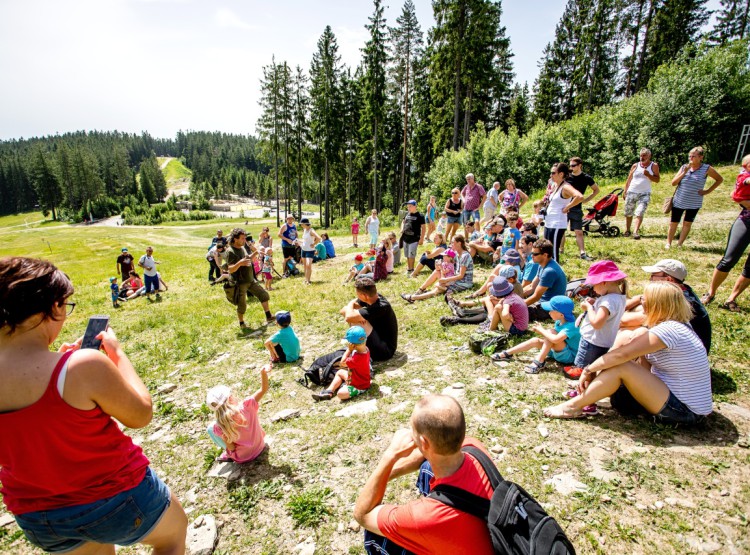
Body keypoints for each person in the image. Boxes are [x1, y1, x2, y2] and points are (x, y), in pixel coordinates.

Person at [0, 257, 188, 554]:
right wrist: (117, 354)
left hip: (37, 516)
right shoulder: (82, 366)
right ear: (54, 307)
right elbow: (141, 413)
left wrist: (58, 363)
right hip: (115, 498)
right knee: (173, 533)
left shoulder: (70, 368)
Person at [544, 281, 713, 425]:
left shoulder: (669, 330)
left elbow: (621, 356)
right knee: (629, 339)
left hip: (685, 411)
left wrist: (589, 369)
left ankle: (573, 406)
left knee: (622, 365)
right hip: (672, 397)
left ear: (658, 304)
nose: (641, 301)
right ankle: (593, 391)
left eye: (645, 298)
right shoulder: (674, 324)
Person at [353, 395, 496, 555]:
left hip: (439, 522)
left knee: (376, 534)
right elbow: (430, 453)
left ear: (424, 442)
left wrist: (390, 455)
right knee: (428, 467)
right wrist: (386, 475)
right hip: (487, 537)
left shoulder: (421, 516)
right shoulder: (474, 447)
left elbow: (363, 515)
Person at [621, 259, 712, 353]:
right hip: (684, 346)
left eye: (653, 276)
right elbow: (642, 298)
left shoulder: (677, 302)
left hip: (685, 355)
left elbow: (624, 321)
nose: (650, 279)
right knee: (637, 309)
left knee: (627, 332)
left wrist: (610, 312)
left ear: (669, 279)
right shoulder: (680, 290)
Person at [701, 155, 750, 312]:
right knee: (729, 259)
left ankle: (732, 299)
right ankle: (710, 293)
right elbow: (736, 194)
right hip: (746, 221)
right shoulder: (745, 176)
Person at [493, 295, 580, 375]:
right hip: (558, 351)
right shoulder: (559, 322)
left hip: (569, 356)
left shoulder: (571, 326)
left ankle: (539, 361)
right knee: (535, 340)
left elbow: (556, 340)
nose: (549, 312)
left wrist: (541, 330)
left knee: (551, 333)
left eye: (551, 310)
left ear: (561, 314)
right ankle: (507, 353)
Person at [206, 364, 271, 463]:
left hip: (244, 457)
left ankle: (227, 455)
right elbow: (263, 389)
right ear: (230, 398)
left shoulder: (220, 426)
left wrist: (228, 444)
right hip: (260, 446)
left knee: (210, 428)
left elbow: (231, 447)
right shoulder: (247, 406)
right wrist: (263, 373)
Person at [667, 146, 724, 249]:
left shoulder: (706, 168)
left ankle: (679, 244)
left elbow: (719, 179)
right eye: (689, 156)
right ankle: (668, 243)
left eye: (693, 156)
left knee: (687, 223)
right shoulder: (684, 167)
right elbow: (673, 183)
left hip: (694, 202)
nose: (690, 158)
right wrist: (684, 172)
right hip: (679, 200)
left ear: (701, 157)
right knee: (673, 222)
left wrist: (707, 191)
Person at [574, 261, 628, 369]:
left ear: (604, 282)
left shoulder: (608, 301)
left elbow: (597, 324)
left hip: (591, 343)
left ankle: (580, 383)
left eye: (594, 285)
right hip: (605, 342)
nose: (593, 288)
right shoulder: (619, 297)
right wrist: (595, 303)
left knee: (582, 369)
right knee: (595, 368)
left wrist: (589, 308)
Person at [224, 228, 274, 328]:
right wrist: (240, 263)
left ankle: (268, 316)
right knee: (242, 305)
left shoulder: (242, 248)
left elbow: (248, 259)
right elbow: (230, 269)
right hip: (240, 282)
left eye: (244, 238)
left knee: (263, 295)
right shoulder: (230, 251)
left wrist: (256, 253)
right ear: (235, 239)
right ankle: (241, 323)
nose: (244, 240)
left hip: (250, 279)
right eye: (242, 238)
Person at [340, 277, 398, 361]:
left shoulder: (381, 306)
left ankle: (358, 348)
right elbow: (343, 311)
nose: (357, 297)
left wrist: (351, 306)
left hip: (385, 351)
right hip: (377, 338)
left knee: (355, 319)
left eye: (358, 294)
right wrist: (351, 305)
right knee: (354, 315)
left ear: (364, 296)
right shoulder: (371, 298)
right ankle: (357, 345)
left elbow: (348, 318)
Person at [401, 235, 473, 302]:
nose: (451, 245)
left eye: (453, 243)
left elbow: (461, 276)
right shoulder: (457, 254)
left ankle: (412, 298)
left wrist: (445, 279)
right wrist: (439, 266)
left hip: (464, 282)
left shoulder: (465, 256)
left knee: (438, 288)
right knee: (436, 271)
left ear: (459, 243)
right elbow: (451, 267)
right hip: (456, 279)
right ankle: (420, 290)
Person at [311, 326, 371, 401]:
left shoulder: (357, 358)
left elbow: (342, 363)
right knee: (340, 372)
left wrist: (349, 349)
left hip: (359, 385)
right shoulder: (365, 349)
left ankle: (357, 390)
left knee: (340, 394)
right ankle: (329, 391)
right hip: (355, 377)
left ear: (353, 345)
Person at [544, 162, 584, 261]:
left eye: (553, 173)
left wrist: (567, 207)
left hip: (557, 223)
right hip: (549, 222)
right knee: (546, 250)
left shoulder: (565, 187)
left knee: (553, 252)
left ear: (561, 174)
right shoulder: (555, 185)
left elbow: (579, 196)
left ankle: (556, 274)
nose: (551, 175)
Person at [524, 239, 568, 321]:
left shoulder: (549, 271)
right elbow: (531, 287)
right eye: (532, 253)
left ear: (545, 255)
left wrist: (518, 305)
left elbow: (536, 296)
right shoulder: (542, 265)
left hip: (549, 309)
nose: (531, 256)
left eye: (535, 254)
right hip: (541, 303)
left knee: (510, 310)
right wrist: (513, 296)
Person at [565, 157, 599, 261]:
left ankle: (582, 252)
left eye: (573, 165)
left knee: (579, 231)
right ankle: (560, 250)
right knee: (562, 230)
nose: (571, 167)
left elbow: (596, 190)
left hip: (576, 207)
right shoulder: (567, 177)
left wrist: (586, 200)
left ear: (580, 165)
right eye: (570, 165)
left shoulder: (586, 177)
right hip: (565, 206)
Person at [623, 148, 660, 239]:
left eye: (644, 156)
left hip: (644, 193)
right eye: (641, 155)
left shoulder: (653, 165)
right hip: (632, 191)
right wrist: (625, 190)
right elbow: (629, 178)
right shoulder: (635, 165)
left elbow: (657, 180)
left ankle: (635, 232)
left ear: (649, 156)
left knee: (640, 212)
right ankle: (627, 230)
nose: (642, 157)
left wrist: (648, 175)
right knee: (628, 212)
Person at [400, 200, 426, 275]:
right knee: (407, 255)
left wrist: (421, 239)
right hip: (405, 238)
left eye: (410, 206)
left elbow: (423, 228)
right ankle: (409, 268)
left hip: (414, 239)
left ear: (415, 206)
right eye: (408, 206)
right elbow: (403, 222)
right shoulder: (407, 214)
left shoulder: (420, 216)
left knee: (411, 255)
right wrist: (402, 229)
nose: (408, 208)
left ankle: (411, 269)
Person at [298, 218, 320, 286]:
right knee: (305, 265)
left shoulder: (311, 230)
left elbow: (318, 238)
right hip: (303, 249)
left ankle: (308, 280)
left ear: (305, 224)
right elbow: (305, 240)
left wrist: (313, 244)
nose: (301, 225)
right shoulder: (305, 230)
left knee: (308, 265)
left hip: (310, 250)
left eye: (301, 224)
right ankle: (306, 279)